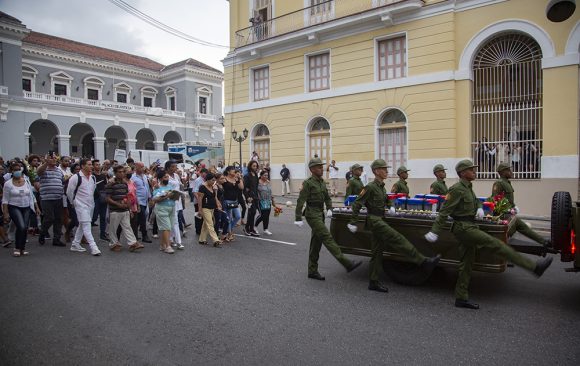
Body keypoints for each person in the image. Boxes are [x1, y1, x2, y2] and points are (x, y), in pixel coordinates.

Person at [424, 160, 553, 309]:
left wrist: (479, 208)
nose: (474, 171)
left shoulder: (468, 188)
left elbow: (476, 201)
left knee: (466, 263)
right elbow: (444, 211)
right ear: (462, 173)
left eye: (474, 169)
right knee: (496, 244)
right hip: (464, 228)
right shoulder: (456, 189)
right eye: (471, 169)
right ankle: (534, 267)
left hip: (470, 225)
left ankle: (461, 297)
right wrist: (435, 231)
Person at [348, 159, 440, 292]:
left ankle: (373, 281)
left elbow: (386, 199)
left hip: (380, 217)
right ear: (376, 171)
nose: (386, 171)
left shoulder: (381, 187)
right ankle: (423, 261)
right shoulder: (370, 187)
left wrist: (390, 206)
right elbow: (357, 204)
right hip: (374, 220)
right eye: (383, 169)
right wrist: (352, 221)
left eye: (386, 169)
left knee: (377, 252)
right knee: (397, 238)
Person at [294, 158, 362, 280]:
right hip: (312, 214)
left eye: (321, 166)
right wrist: (298, 217)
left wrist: (330, 208)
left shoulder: (321, 182)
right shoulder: (308, 183)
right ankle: (347, 263)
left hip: (320, 213)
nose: (321, 169)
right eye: (319, 167)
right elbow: (301, 200)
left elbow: (327, 198)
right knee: (326, 236)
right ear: (312, 169)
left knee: (316, 243)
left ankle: (312, 270)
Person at [493, 163, 551, 246]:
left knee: (523, 227)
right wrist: (509, 209)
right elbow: (496, 200)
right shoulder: (499, 183)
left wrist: (514, 206)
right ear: (502, 172)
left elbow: (508, 200)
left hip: (508, 215)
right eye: (508, 170)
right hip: (502, 216)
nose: (511, 172)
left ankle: (544, 242)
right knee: (507, 236)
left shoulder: (507, 183)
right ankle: (543, 242)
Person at [2, 163, 40, 257]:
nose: (17, 171)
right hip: (14, 207)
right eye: (15, 170)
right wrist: (6, 213)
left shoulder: (26, 181)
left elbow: (31, 195)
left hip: (26, 206)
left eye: (19, 169)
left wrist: (37, 207)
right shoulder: (8, 184)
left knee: (24, 228)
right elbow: (5, 200)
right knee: (21, 226)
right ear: (11, 171)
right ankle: (17, 247)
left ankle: (22, 248)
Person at [105, 165, 144, 253]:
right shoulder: (111, 184)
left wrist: (129, 208)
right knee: (113, 229)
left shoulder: (124, 184)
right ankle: (113, 244)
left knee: (127, 227)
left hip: (125, 209)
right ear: (115, 173)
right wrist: (118, 204)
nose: (122, 174)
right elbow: (107, 198)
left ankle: (133, 243)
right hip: (115, 210)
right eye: (119, 172)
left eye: (123, 172)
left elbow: (127, 196)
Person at [66, 159, 101, 256]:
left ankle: (75, 244)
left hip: (90, 204)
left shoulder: (92, 177)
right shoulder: (75, 178)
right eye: (89, 165)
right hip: (80, 204)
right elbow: (69, 192)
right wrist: (73, 202)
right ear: (82, 166)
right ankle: (94, 247)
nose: (91, 166)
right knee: (86, 224)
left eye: (91, 165)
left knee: (82, 224)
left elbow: (93, 190)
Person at [37, 152, 65, 246]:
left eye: (54, 158)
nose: (53, 159)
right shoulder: (44, 168)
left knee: (58, 219)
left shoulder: (58, 170)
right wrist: (46, 163)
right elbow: (39, 172)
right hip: (46, 198)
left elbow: (62, 181)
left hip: (58, 197)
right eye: (51, 158)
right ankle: (43, 232)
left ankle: (56, 239)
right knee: (49, 218)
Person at [152, 171, 176, 254]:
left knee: (167, 227)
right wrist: (166, 196)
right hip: (161, 208)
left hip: (171, 208)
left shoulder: (169, 186)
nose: (167, 178)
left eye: (168, 177)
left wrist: (175, 196)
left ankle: (162, 245)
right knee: (166, 227)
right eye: (165, 177)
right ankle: (168, 246)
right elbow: (155, 199)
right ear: (161, 178)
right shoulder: (157, 187)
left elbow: (172, 196)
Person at [197, 172, 222, 247]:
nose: (213, 182)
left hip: (212, 207)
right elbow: (199, 198)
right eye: (212, 180)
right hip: (205, 208)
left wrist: (218, 204)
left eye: (214, 180)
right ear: (207, 180)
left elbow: (215, 197)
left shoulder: (212, 186)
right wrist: (200, 209)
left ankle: (202, 239)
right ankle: (216, 240)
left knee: (206, 224)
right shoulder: (202, 187)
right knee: (210, 224)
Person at [165, 160, 184, 250]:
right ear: (168, 168)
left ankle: (173, 239)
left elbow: (180, 185)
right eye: (173, 166)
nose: (175, 168)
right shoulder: (165, 176)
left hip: (177, 200)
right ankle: (177, 241)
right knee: (173, 221)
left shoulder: (176, 175)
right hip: (168, 200)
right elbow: (163, 188)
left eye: (175, 166)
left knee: (174, 220)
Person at [131, 162, 152, 243]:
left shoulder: (144, 176)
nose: (143, 168)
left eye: (144, 167)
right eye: (141, 167)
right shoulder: (133, 178)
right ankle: (144, 235)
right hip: (138, 201)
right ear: (136, 168)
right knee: (142, 218)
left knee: (144, 216)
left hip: (145, 200)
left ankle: (135, 233)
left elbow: (147, 187)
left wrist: (150, 197)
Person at [223, 166, 243, 242]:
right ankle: (229, 234)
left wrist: (239, 178)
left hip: (235, 201)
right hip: (227, 201)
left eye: (235, 170)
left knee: (238, 216)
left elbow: (241, 187)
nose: (234, 171)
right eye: (232, 170)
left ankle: (229, 229)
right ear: (228, 171)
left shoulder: (236, 179)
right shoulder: (224, 179)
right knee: (229, 218)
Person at [92, 159, 108, 241]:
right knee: (94, 216)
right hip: (95, 198)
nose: (98, 166)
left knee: (103, 217)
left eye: (99, 164)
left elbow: (106, 185)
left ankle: (102, 234)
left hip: (103, 197)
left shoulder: (103, 176)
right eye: (96, 164)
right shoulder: (92, 176)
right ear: (93, 166)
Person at [255, 170, 276, 235]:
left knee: (267, 215)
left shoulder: (268, 182)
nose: (266, 176)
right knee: (262, 215)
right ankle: (255, 226)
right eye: (265, 175)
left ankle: (265, 229)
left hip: (268, 201)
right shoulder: (257, 182)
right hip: (260, 201)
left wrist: (273, 200)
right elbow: (255, 191)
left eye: (267, 175)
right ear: (261, 176)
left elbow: (270, 192)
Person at [243, 160, 260, 236]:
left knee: (253, 213)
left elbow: (256, 187)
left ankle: (251, 228)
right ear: (250, 166)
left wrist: (258, 195)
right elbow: (245, 188)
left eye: (256, 166)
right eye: (254, 166)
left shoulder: (256, 175)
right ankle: (247, 228)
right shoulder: (247, 176)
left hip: (255, 197)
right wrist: (247, 197)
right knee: (251, 212)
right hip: (250, 198)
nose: (255, 167)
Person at [214, 173, 230, 242]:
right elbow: (215, 197)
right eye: (221, 178)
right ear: (217, 179)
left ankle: (224, 235)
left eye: (223, 178)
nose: (223, 179)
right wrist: (218, 205)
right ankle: (216, 237)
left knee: (226, 220)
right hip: (217, 206)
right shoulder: (215, 186)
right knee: (218, 221)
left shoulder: (222, 185)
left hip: (223, 205)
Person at [192, 168, 208, 235]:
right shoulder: (198, 180)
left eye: (206, 173)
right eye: (204, 173)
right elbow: (194, 191)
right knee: (198, 215)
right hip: (198, 201)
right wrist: (199, 199)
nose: (205, 174)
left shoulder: (205, 179)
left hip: (204, 201)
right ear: (201, 173)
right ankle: (198, 230)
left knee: (203, 215)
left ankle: (202, 229)